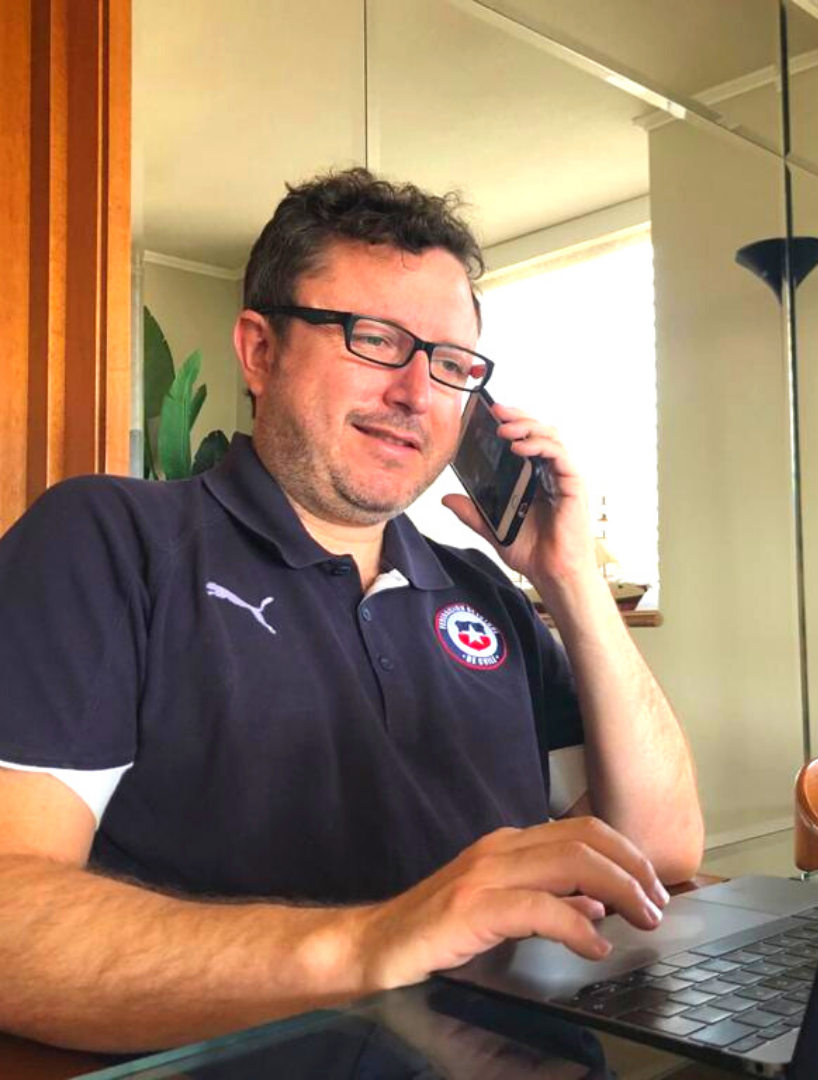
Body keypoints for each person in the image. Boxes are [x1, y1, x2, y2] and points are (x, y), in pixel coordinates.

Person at [0, 168, 703, 1053]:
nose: (417, 394)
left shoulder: (484, 591)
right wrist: (377, 943)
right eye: (375, 341)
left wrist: (570, 580)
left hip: (527, 1056)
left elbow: (661, 850)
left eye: (451, 364)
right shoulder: (113, 542)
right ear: (260, 352)